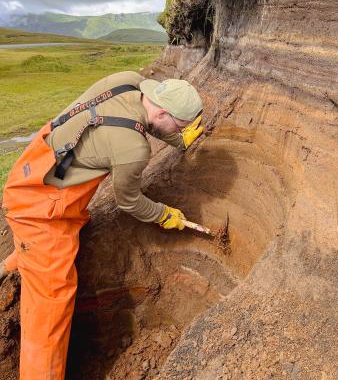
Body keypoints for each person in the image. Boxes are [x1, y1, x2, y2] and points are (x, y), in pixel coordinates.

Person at [0, 70, 203, 380]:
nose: (180, 130)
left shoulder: (128, 80)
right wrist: (164, 214)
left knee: (55, 239)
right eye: (179, 125)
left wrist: (176, 137)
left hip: (36, 165)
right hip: (39, 210)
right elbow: (130, 201)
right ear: (162, 109)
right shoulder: (133, 150)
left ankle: (10, 265)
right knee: (51, 306)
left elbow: (151, 122)